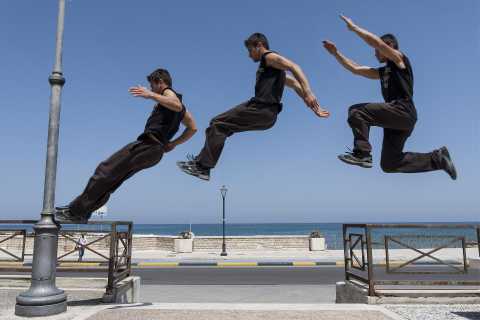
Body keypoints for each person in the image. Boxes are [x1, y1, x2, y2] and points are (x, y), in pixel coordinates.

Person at [177, 32, 329, 181]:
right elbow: (295, 84)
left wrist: (309, 92)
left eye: (250, 50)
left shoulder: (268, 57)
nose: (249, 55)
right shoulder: (275, 71)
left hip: (260, 109)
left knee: (217, 124)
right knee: (221, 127)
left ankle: (203, 167)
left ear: (259, 45)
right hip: (269, 117)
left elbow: (294, 66)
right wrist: (312, 105)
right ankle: (202, 163)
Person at [55, 68, 197, 223]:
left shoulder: (168, 94)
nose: (150, 89)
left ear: (160, 82)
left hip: (148, 145)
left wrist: (150, 95)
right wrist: (173, 144)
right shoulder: (181, 107)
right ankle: (80, 212)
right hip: (155, 152)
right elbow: (192, 128)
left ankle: (75, 212)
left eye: (152, 85)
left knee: (105, 170)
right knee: (112, 179)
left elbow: (176, 104)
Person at [323, 16, 457, 179]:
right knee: (389, 163)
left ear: (389, 47)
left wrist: (355, 28)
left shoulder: (400, 60)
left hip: (403, 110)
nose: (374, 53)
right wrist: (336, 53)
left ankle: (362, 153)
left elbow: (377, 43)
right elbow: (356, 68)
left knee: (357, 111)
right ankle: (438, 158)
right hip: (398, 121)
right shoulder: (383, 72)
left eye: (377, 50)